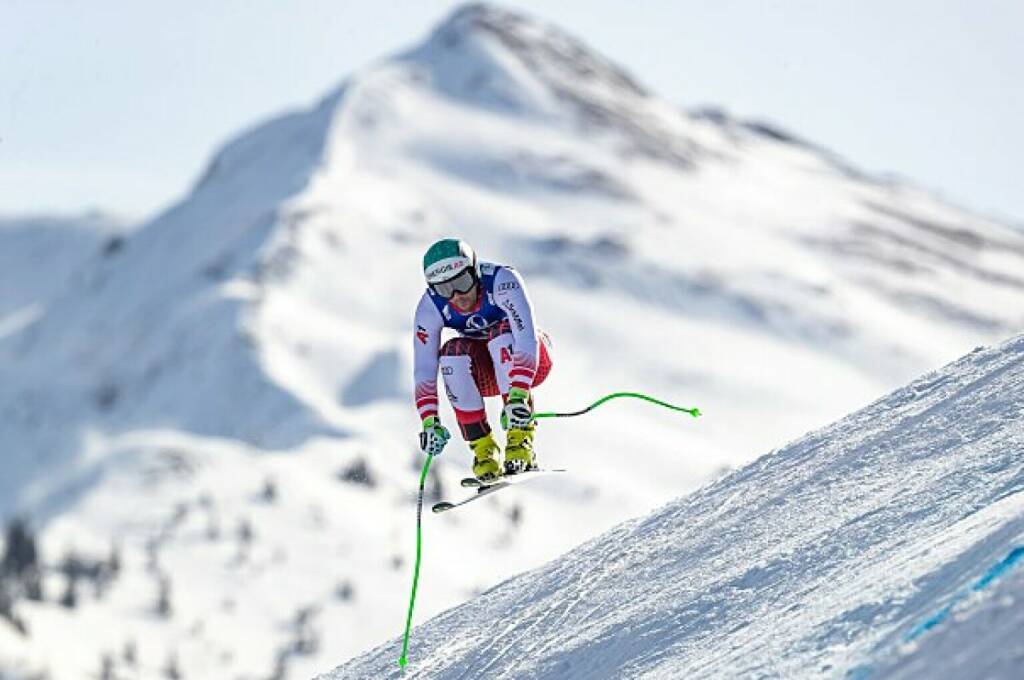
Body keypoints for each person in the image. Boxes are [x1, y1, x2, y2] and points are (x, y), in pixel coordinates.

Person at [413, 238, 554, 480]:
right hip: (488, 373)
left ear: (475, 271)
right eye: (445, 289)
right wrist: (429, 422)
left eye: (462, 283)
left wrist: (518, 395)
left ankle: (520, 441)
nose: (457, 296)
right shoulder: (430, 306)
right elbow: (424, 370)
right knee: (451, 353)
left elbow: (526, 339)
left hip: (531, 361)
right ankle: (484, 452)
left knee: (501, 333)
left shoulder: (502, 281)